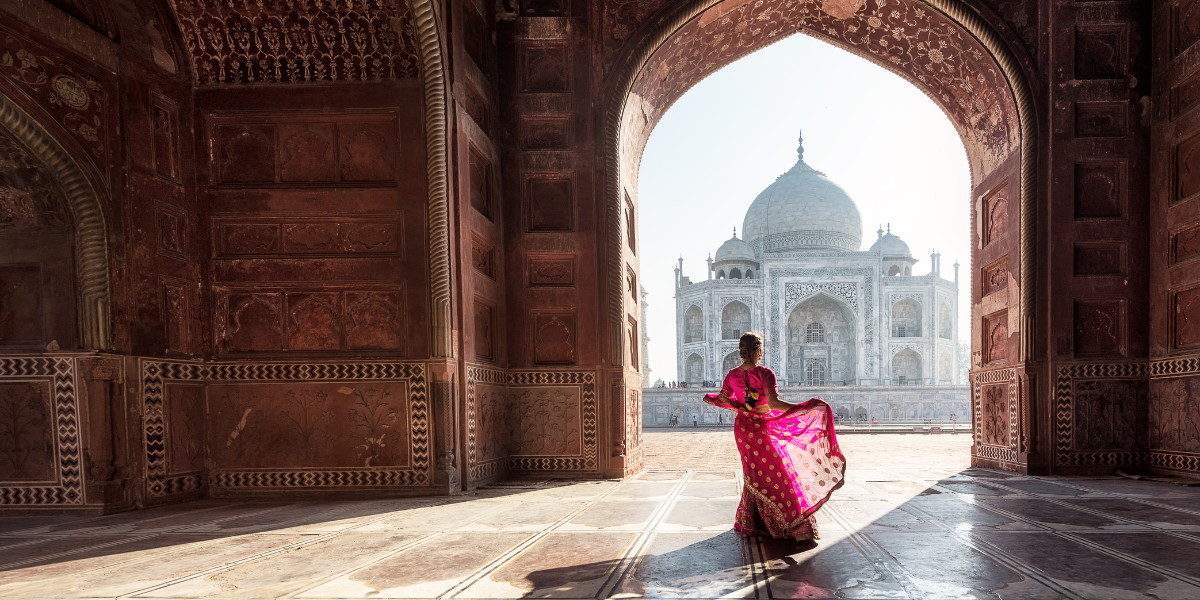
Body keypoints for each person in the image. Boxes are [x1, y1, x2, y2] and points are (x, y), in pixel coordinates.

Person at [703, 331, 846, 542]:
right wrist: (803, 408)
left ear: (742, 351)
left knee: (755, 474)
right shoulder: (764, 372)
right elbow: (774, 404)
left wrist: (742, 409)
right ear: (759, 350)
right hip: (760, 426)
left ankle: (754, 521)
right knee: (778, 470)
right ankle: (789, 523)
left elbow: (724, 399)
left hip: (743, 428)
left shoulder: (732, 374)